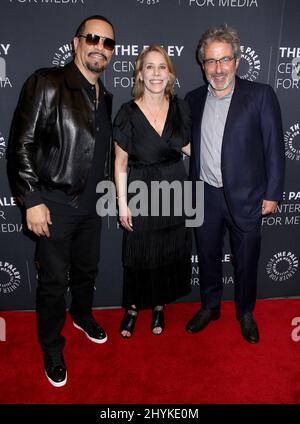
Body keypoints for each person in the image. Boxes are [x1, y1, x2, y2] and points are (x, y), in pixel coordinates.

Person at [8, 15, 115, 387]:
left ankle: (82, 315)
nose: (100, 47)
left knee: (87, 271)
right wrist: (32, 200)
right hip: (53, 204)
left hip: (91, 207)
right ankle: (52, 346)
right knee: (53, 282)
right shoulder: (47, 82)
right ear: (76, 42)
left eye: (108, 43)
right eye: (93, 39)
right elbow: (20, 145)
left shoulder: (106, 96)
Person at [185, 25, 285, 343]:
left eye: (224, 59)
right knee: (208, 254)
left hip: (247, 197)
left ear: (237, 61)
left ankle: (245, 312)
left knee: (246, 261)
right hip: (205, 195)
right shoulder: (193, 99)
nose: (218, 69)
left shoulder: (260, 95)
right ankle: (210, 306)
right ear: (202, 65)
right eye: (211, 61)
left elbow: (274, 149)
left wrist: (272, 193)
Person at [114, 45, 192, 338]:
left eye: (162, 67)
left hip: (176, 188)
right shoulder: (127, 112)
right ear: (140, 74)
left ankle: (159, 304)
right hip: (141, 189)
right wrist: (122, 204)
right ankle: (133, 307)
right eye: (149, 67)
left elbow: (187, 147)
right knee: (139, 252)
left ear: (170, 73)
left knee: (168, 250)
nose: (156, 73)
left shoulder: (181, 107)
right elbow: (120, 162)